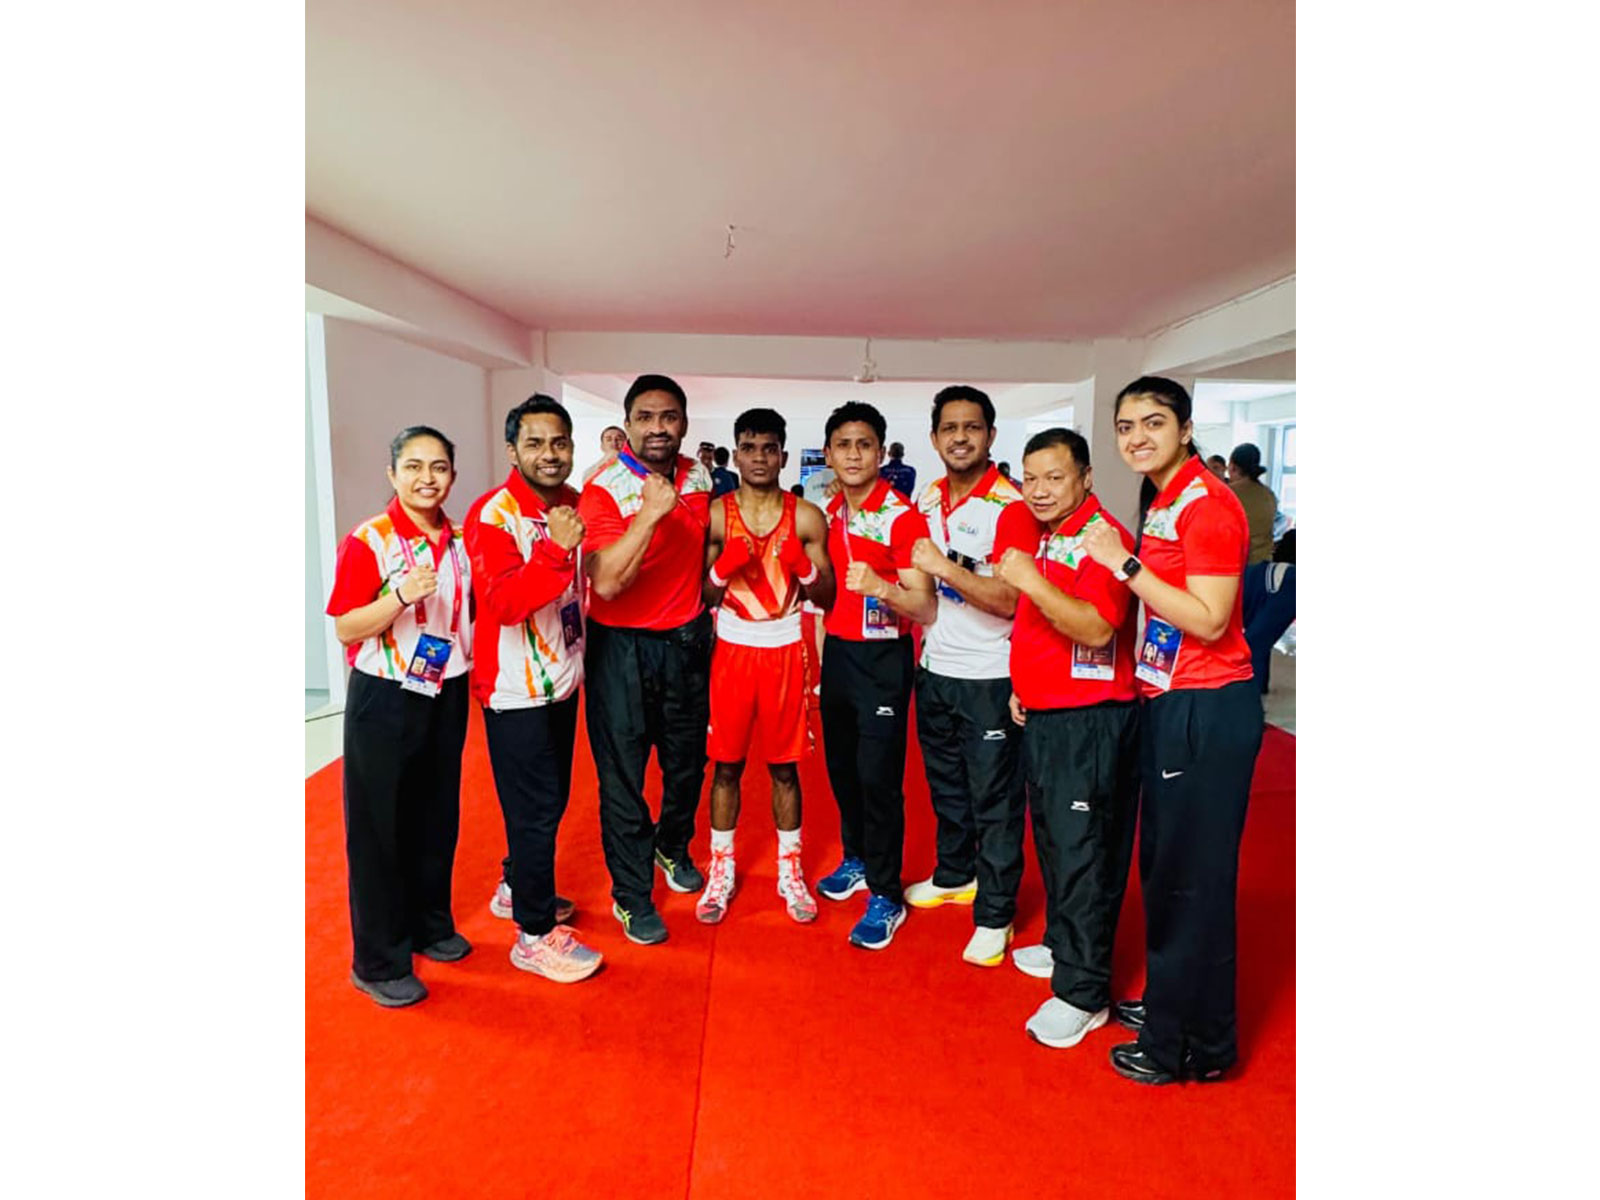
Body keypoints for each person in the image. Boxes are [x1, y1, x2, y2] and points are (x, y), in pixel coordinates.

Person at [1078, 376, 1262, 1086]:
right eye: (1126, 426)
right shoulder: (1167, 497)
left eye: (1153, 422)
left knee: (1190, 880)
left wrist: (1119, 562)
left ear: (1185, 429)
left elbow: (1211, 618)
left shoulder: (1207, 506)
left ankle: (1183, 1047)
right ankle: (1179, 1009)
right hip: (1171, 699)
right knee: (1171, 870)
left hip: (1206, 708)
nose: (1137, 437)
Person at [992, 428, 1140, 1049]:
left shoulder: (1103, 540)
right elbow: (1044, 624)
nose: (1040, 490)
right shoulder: (1053, 533)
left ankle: (1084, 992)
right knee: (1054, 838)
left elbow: (1098, 628)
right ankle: (1063, 943)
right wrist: (1026, 681)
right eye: (1031, 478)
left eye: (1055, 477)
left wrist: (1027, 578)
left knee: (1084, 850)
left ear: (1084, 478)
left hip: (1091, 720)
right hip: (1049, 710)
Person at [325, 426, 475, 1008]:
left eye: (438, 467)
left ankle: (430, 926)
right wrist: (400, 597)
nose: (426, 478)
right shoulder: (371, 540)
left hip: (447, 688)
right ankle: (379, 959)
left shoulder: (459, 540)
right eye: (413, 466)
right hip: (385, 695)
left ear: (452, 478)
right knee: (378, 827)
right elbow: (345, 626)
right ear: (392, 474)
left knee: (437, 816)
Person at [464, 395, 603, 984]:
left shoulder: (572, 503)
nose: (550, 455)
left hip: (561, 681)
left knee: (549, 801)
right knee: (535, 811)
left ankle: (516, 887)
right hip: (516, 690)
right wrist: (555, 549)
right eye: (536, 443)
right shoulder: (492, 515)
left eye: (560, 443)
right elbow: (504, 601)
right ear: (512, 450)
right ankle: (534, 934)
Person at [579, 374, 714, 946]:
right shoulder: (604, 487)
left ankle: (671, 845)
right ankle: (631, 897)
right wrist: (652, 513)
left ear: (683, 422)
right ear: (628, 422)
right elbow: (607, 581)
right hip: (621, 648)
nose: (659, 428)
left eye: (670, 416)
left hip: (686, 641)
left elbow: (708, 543)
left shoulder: (700, 475)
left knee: (688, 765)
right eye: (646, 417)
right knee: (624, 778)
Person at [903, 386, 1027, 967]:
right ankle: (955, 873)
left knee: (995, 800)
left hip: (991, 676)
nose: (960, 437)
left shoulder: (1011, 505)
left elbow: (1007, 599)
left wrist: (941, 565)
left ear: (990, 437)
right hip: (936, 669)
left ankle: (996, 913)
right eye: (949, 428)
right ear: (933, 439)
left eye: (972, 428)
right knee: (947, 787)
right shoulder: (927, 498)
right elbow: (924, 598)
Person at [698, 408, 836, 923]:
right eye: (749, 448)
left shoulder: (805, 517)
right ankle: (721, 869)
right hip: (731, 650)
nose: (759, 458)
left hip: (784, 651)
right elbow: (704, 594)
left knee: (784, 768)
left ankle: (790, 870)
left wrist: (803, 568)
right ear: (736, 453)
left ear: (782, 453)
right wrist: (720, 567)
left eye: (769, 448)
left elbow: (829, 593)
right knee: (726, 766)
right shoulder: (717, 514)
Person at [814, 402, 937, 950]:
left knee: (878, 777)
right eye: (844, 445)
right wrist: (819, 667)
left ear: (882, 453)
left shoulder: (902, 516)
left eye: (865, 444)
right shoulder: (831, 511)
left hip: (885, 659)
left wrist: (882, 588)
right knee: (841, 769)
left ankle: (886, 892)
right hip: (839, 655)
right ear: (829, 454)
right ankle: (857, 859)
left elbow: (926, 606)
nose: (854, 454)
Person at [1227, 443, 1277, 565]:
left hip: (1235, 566)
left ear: (1232, 467)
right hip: (1263, 567)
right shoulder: (1269, 494)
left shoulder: (1227, 493)